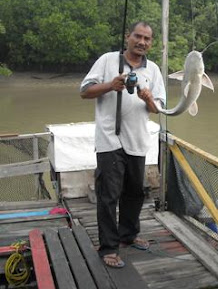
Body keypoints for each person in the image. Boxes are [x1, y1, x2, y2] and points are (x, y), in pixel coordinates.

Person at [80, 22, 165, 268]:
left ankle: (128, 234)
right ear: (128, 37)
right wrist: (111, 85)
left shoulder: (154, 70)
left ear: (151, 42)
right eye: (137, 36)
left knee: (135, 192)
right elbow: (84, 91)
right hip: (109, 140)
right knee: (108, 195)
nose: (142, 42)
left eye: (147, 38)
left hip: (138, 141)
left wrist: (149, 98)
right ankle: (108, 247)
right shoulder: (107, 60)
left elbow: (157, 110)